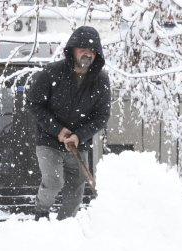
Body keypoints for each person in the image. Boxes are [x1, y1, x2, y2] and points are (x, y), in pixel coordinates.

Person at [25, 26, 111, 221]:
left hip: (79, 142)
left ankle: (66, 224)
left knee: (76, 187)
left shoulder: (101, 81)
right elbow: (33, 102)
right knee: (54, 181)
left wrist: (79, 135)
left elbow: (101, 116)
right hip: (49, 139)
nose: (87, 53)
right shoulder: (52, 73)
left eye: (91, 50)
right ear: (72, 50)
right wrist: (57, 129)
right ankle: (41, 212)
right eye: (82, 49)